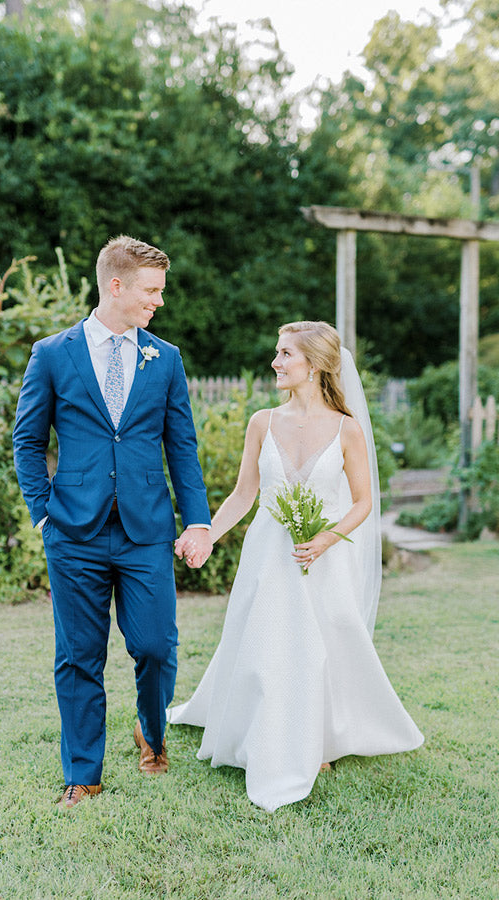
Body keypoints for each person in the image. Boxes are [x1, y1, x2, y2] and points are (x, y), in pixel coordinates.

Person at [168, 321, 423, 812]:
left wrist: (327, 538)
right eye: (277, 352)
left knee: (322, 646)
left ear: (316, 365)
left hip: (325, 556)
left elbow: (365, 501)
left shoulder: (348, 429)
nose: (275, 363)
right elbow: (245, 494)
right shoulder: (262, 422)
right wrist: (207, 534)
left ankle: (320, 739)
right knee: (265, 641)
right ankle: (257, 732)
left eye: (285, 354)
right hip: (269, 553)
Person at [13, 235, 212, 809]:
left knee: (154, 646)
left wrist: (196, 521)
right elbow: (28, 441)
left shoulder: (165, 358)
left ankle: (151, 732)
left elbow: (183, 449)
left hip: (147, 528)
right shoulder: (53, 353)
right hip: (72, 530)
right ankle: (84, 775)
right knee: (79, 654)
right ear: (116, 285)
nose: (159, 302)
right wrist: (41, 513)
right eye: (152, 291)